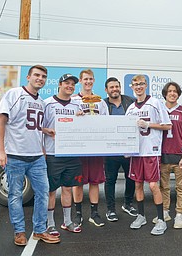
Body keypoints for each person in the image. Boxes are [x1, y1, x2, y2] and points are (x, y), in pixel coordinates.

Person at [0, 65, 60, 246]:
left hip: (37, 156)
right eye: (37, 75)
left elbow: (32, 125)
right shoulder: (14, 94)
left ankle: (39, 230)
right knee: (15, 195)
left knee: (43, 194)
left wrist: (44, 135)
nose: (40, 78)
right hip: (15, 155)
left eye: (44, 76)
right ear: (28, 77)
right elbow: (2, 121)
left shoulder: (41, 102)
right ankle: (19, 232)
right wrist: (1, 150)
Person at [126, 75, 172, 235]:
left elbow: (168, 125)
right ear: (131, 87)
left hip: (151, 151)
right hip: (136, 152)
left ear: (146, 85)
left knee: (153, 185)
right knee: (137, 184)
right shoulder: (131, 108)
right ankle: (141, 216)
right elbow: (126, 130)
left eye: (141, 84)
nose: (138, 87)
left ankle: (161, 219)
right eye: (135, 84)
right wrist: (126, 148)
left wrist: (148, 124)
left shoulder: (155, 103)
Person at [152, 82, 182, 229]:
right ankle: (165, 211)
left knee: (181, 187)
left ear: (178, 94)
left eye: (175, 91)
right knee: (163, 186)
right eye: (170, 91)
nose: (172, 93)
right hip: (162, 154)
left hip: (178, 155)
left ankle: (179, 214)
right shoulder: (158, 111)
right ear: (165, 93)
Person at [43, 73, 82, 236]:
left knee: (67, 188)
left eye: (72, 84)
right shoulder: (47, 104)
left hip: (72, 154)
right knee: (51, 190)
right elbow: (38, 127)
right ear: (59, 84)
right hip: (53, 153)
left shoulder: (76, 106)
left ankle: (67, 221)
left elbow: (82, 129)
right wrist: (46, 132)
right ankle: (50, 223)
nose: (70, 86)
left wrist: (83, 120)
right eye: (67, 83)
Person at [72, 69, 109, 227]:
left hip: (96, 147)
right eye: (85, 79)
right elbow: (66, 121)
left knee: (95, 181)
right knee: (78, 181)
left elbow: (107, 122)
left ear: (94, 81)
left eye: (91, 79)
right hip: (79, 148)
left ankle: (94, 213)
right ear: (80, 81)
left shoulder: (101, 102)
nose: (88, 81)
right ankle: (78, 213)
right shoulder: (73, 100)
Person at [103, 77, 137, 222]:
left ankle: (128, 204)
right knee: (110, 180)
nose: (115, 89)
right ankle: (110, 209)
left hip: (128, 148)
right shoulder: (102, 104)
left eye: (117, 86)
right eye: (111, 87)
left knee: (131, 178)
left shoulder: (130, 101)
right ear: (106, 90)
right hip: (110, 149)